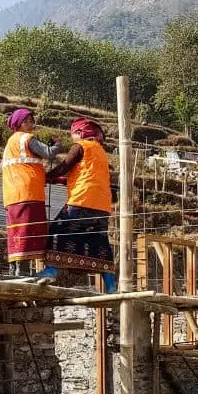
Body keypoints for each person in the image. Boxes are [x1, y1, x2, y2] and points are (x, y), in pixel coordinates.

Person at [32, 117, 117, 294]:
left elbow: (65, 166)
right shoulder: (101, 153)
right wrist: (59, 180)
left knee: (58, 230)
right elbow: (82, 175)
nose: (72, 139)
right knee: (98, 240)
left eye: (73, 135)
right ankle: (110, 284)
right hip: (102, 206)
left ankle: (51, 270)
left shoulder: (80, 146)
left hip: (82, 201)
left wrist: (45, 177)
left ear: (79, 133)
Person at [0, 108, 59, 274]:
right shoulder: (26, 138)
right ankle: (24, 272)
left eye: (31, 120)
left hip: (13, 196)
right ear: (19, 124)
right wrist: (58, 144)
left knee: (17, 231)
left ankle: (16, 269)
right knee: (29, 231)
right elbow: (48, 153)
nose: (30, 124)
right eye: (27, 121)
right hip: (28, 193)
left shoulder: (9, 144)